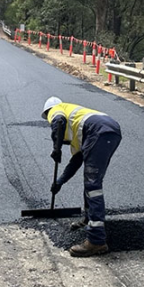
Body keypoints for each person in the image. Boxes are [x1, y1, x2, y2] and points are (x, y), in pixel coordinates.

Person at [41, 96, 122, 257]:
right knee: (92, 180)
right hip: (110, 130)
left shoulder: (56, 109)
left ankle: (96, 240)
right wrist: (60, 181)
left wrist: (56, 148)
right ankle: (89, 219)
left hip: (99, 131)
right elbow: (76, 161)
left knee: (93, 186)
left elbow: (58, 122)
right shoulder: (79, 129)